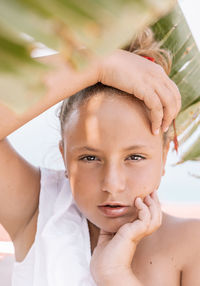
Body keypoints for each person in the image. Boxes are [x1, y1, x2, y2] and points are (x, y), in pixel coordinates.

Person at [0, 27, 193, 286]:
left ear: (164, 155)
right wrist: (98, 65)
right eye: (90, 158)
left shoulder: (192, 244)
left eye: (134, 157)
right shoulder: (38, 213)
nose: (112, 184)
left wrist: (114, 275)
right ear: (64, 156)